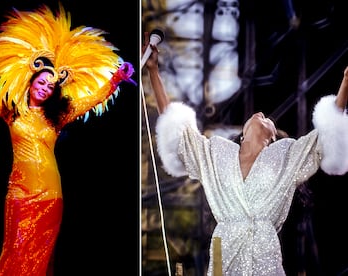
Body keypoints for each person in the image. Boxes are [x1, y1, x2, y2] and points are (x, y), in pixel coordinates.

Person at [0, 4, 135, 276]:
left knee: (40, 257)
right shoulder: (11, 111)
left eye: (51, 87)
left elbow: (93, 98)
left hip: (51, 193)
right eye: (42, 83)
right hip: (19, 192)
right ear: (31, 82)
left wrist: (116, 78)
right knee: (15, 249)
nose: (45, 88)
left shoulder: (59, 116)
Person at [142, 31, 348, 275]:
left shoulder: (285, 154)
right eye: (259, 115)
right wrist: (154, 71)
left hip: (264, 255)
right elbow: (179, 131)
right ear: (242, 134)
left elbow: (324, 135)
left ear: (272, 138)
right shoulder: (216, 152)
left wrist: (346, 81)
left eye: (268, 119)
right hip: (224, 250)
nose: (262, 113)